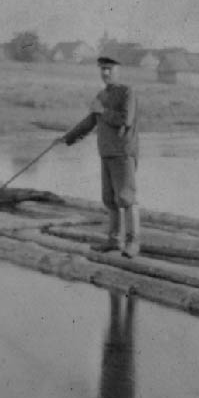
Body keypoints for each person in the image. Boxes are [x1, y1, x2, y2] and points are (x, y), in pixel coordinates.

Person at [57, 56, 141, 257]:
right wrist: (66, 138)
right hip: (106, 153)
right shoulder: (102, 95)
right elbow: (89, 122)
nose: (105, 73)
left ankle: (133, 243)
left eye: (109, 69)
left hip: (123, 153)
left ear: (118, 70)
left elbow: (125, 120)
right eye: (102, 69)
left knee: (126, 198)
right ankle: (114, 241)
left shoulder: (127, 93)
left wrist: (102, 110)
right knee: (109, 199)